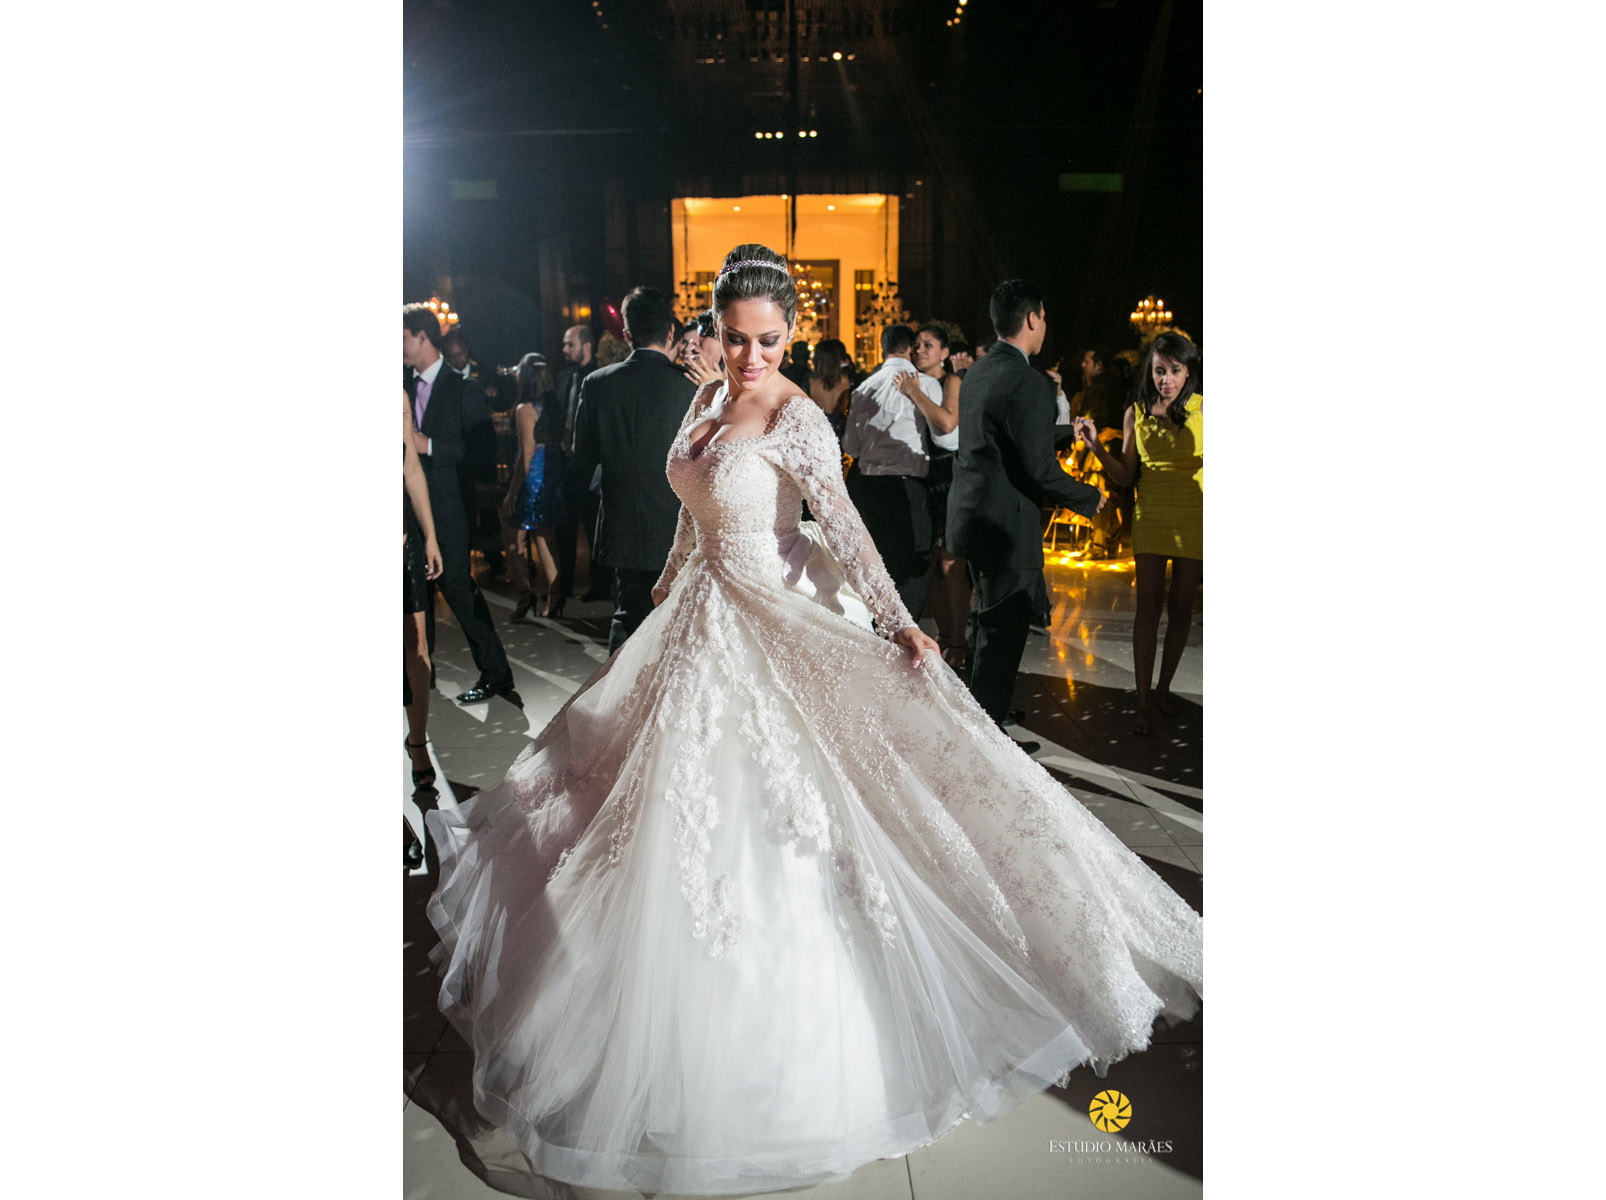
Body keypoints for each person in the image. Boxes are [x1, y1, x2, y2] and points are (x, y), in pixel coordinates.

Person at [424, 244, 1202, 1197]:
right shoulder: (705, 398)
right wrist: (664, 587)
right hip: (694, 620)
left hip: (771, 621)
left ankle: (787, 1061)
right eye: (735, 338)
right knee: (644, 815)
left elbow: (843, 526)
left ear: (790, 335)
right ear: (714, 331)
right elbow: (693, 511)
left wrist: (899, 619)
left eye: (767, 340)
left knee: (773, 820)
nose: (750, 356)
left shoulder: (797, 417)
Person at [946, 281, 1105, 744]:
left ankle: (982, 713)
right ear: (1033, 318)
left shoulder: (978, 372)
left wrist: (1065, 433)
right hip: (1006, 526)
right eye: (1045, 317)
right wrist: (1088, 497)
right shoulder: (1030, 381)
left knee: (987, 626)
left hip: (972, 516)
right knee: (1003, 632)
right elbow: (1039, 470)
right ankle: (988, 740)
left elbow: (1002, 437)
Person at [1075, 331, 1202, 733]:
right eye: (1159, 370)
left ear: (1188, 371)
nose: (1166, 379)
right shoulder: (1137, 412)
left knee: (1181, 605)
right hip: (1151, 514)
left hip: (1195, 513)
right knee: (1149, 605)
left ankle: (1163, 688)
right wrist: (1097, 447)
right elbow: (1127, 475)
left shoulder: (1205, 409)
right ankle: (1143, 701)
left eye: (1175, 370)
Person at [569, 286, 697, 653]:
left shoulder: (598, 384)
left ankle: (618, 690)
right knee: (676, 626)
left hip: (623, 524)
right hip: (676, 526)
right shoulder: (688, 386)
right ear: (670, 331)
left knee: (627, 618)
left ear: (626, 334)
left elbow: (582, 459)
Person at [403, 304, 516, 705]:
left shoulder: (463, 388)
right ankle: (421, 677)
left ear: (422, 337)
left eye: (402, 337)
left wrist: (430, 446)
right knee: (414, 593)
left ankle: (496, 674)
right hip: (407, 508)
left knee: (456, 588)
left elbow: (481, 452)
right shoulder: (400, 385)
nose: (397, 345)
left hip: (449, 506)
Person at [841, 324, 944, 618]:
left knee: (877, 563)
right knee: (912, 565)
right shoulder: (926, 384)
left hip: (869, 486)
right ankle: (904, 631)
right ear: (910, 347)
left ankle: (878, 629)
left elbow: (851, 447)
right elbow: (943, 437)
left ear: (882, 348)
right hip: (908, 486)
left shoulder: (863, 388)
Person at [905, 324, 972, 672]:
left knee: (950, 561)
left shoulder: (951, 381)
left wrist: (913, 393)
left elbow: (947, 424)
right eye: (916, 345)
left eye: (928, 345)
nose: (919, 350)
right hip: (924, 477)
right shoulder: (913, 381)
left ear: (945, 352)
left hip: (949, 476)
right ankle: (945, 636)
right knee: (930, 563)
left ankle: (958, 640)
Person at [404, 392, 444, 869]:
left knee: (417, 651)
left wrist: (429, 535)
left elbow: (410, 467)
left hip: (402, 541)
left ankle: (417, 743)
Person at [499, 353, 565, 619]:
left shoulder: (524, 409)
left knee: (512, 538)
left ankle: (525, 594)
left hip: (531, 479)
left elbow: (526, 452)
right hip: (552, 475)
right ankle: (555, 597)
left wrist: (512, 492)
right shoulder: (554, 405)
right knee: (545, 538)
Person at [553, 324, 609, 609]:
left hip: (589, 463)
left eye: (570, 344)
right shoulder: (564, 376)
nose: (565, 349)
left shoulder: (600, 378)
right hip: (565, 461)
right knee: (564, 525)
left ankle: (600, 584)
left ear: (586, 346)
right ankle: (563, 584)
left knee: (592, 524)